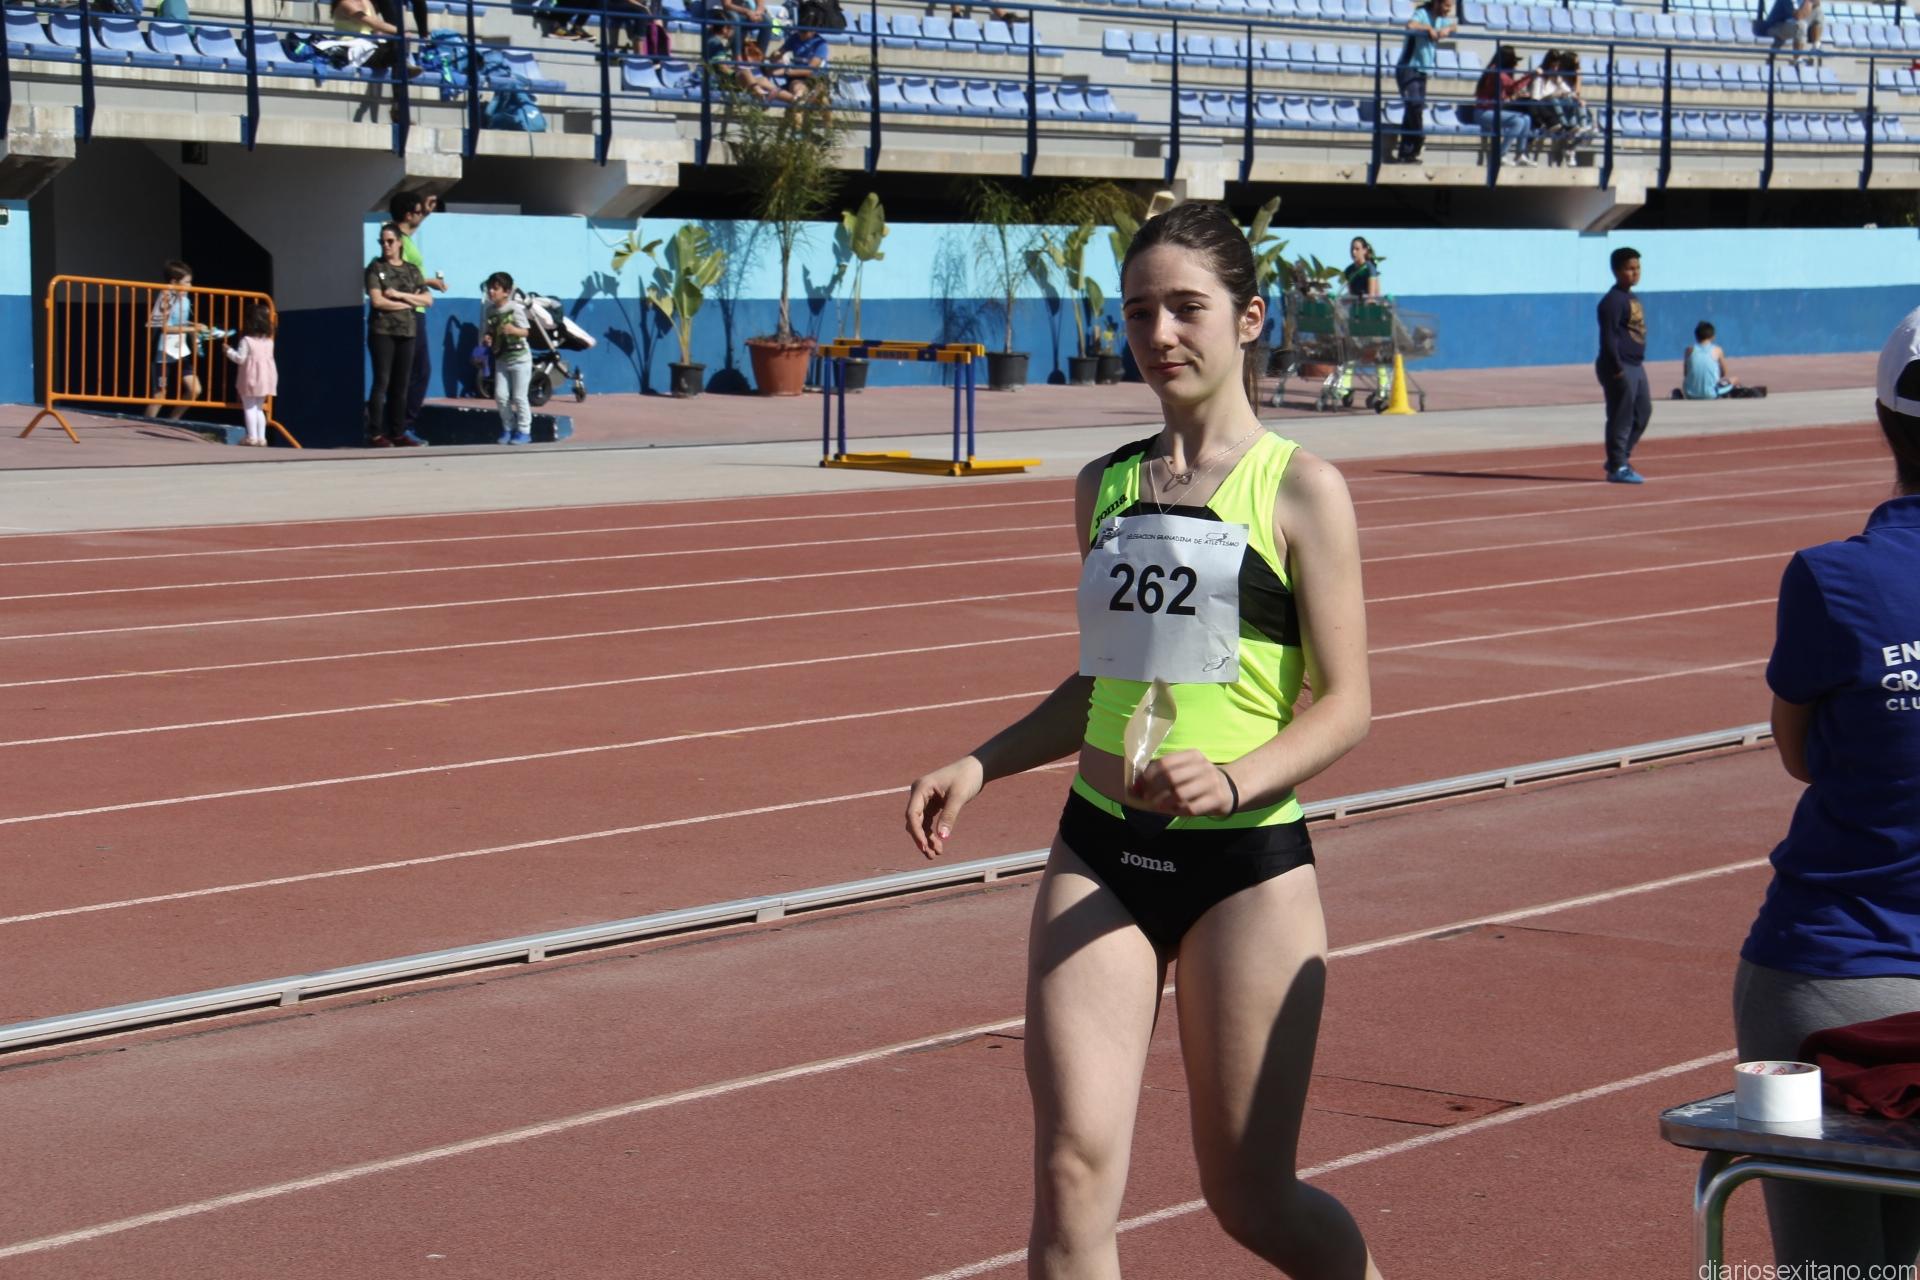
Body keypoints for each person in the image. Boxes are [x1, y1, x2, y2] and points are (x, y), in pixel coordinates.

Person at [904, 202, 1380, 1279]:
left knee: (1252, 1198)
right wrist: (982, 761)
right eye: (1137, 312)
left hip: (1244, 869)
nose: (1159, 333)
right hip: (1101, 852)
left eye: (1186, 307)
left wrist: (1234, 778)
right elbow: (1101, 683)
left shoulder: (1302, 490)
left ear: (1249, 318)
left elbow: (1347, 702)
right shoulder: (1106, 487)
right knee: (1073, 1170)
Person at [1733, 307, 1920, 1274]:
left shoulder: (1833, 579)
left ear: (1884, 418)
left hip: (1836, 976)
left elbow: (1800, 753)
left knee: (1838, 1270)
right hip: (1853, 981)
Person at [365, 221, 431, 448]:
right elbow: (377, 301)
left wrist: (400, 296)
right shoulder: (375, 268)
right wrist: (408, 304)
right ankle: (375, 433)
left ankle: (397, 431)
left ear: (399, 243)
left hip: (408, 331)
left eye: (390, 241)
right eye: (382, 241)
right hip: (383, 331)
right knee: (382, 381)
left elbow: (427, 299)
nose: (386, 245)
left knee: (401, 384)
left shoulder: (412, 270)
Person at [390, 191, 447, 445]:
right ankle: (402, 426)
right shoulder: (398, 241)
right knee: (419, 371)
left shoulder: (404, 238)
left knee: (413, 371)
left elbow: (412, 227)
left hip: (416, 310)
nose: (420, 215)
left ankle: (400, 426)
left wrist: (426, 210)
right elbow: (400, 273)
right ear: (407, 214)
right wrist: (429, 282)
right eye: (417, 211)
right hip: (410, 311)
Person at [1596, 245, 1650, 483]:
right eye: (1629, 268)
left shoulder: (1631, 297)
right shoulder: (1612, 302)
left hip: (1636, 365)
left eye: (1637, 268)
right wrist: (1616, 368)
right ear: (1617, 271)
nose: (1635, 272)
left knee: (1642, 413)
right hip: (1620, 366)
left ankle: (1618, 459)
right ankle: (1617, 466)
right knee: (1621, 417)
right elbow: (1608, 338)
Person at [1389, 0, 1455, 165]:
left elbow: (1454, 26)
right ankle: (1419, 138)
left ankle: (1406, 153)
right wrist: (1428, 28)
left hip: (1423, 71)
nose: (1449, 9)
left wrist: (1448, 29)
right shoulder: (1422, 13)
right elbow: (1411, 25)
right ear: (1437, 3)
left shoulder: (1441, 18)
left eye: (1451, 6)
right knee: (1414, 105)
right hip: (1408, 68)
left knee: (1413, 110)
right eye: (1446, 5)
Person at [144, 259, 210, 420]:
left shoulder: (186, 300)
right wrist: (192, 329)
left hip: (180, 350)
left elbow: (180, 322)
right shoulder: (166, 298)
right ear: (174, 282)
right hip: (163, 352)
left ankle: (173, 420)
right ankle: (146, 423)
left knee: (195, 389)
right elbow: (165, 328)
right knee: (160, 394)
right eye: (186, 282)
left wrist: (195, 325)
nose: (190, 286)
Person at [482, 271, 534, 446]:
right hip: (501, 359)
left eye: (495, 288)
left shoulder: (514, 309)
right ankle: (508, 428)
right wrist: (488, 338)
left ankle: (524, 431)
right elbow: (490, 331)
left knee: (519, 397)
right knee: (500, 396)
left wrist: (514, 330)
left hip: (520, 359)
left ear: (507, 292)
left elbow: (526, 331)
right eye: (490, 288)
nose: (491, 292)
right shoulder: (489, 311)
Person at [223, 303, 279, 447]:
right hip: (266, 378)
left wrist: (228, 351)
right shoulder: (269, 341)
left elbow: (240, 359)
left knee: (249, 407)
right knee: (259, 408)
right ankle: (262, 438)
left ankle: (252, 437)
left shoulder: (246, 340)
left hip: (250, 377)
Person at [1474, 45, 1535, 166]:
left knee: (1526, 118)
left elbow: (1507, 91)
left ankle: (1520, 154)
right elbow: (1512, 86)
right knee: (1518, 122)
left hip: (1493, 111)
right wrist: (1530, 76)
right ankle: (1500, 155)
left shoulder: (1499, 71)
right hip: (1484, 113)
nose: (1515, 65)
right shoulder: (1495, 71)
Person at [1678, 321, 1767, 400]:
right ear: (1713, 337)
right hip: (1711, 394)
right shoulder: (1717, 350)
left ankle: (1678, 393)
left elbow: (1686, 373)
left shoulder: (1689, 350)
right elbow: (1724, 372)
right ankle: (1745, 391)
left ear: (1696, 337)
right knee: (1734, 380)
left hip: (1690, 394)